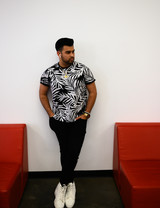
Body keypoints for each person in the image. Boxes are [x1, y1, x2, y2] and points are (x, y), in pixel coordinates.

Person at [39, 38, 97, 208]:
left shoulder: (82, 69)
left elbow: (93, 92)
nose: (72, 55)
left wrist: (87, 113)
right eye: (68, 52)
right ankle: (67, 184)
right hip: (59, 121)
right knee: (66, 152)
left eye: (73, 51)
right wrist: (51, 115)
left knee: (73, 153)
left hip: (79, 120)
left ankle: (64, 184)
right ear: (59, 53)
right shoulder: (49, 72)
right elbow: (42, 95)